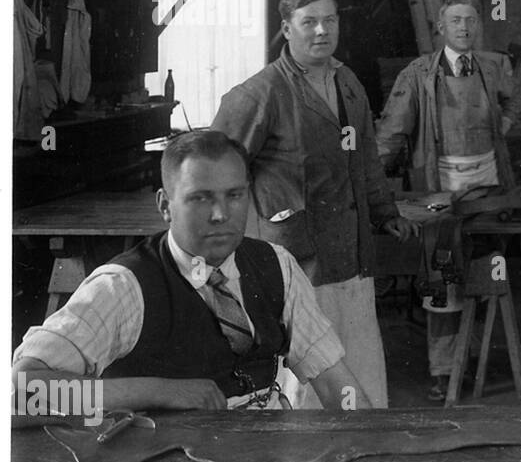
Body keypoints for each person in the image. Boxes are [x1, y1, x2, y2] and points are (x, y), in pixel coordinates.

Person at [12, 131, 371, 411]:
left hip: (265, 454)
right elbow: (27, 387)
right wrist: (158, 391)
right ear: (165, 206)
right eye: (200, 198)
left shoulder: (277, 265)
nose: (220, 214)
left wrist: (374, 448)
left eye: (234, 196)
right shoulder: (124, 286)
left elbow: (334, 383)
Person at [211, 0, 415, 410]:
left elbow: (365, 162)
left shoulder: (348, 83)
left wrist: (384, 212)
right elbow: (217, 170)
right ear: (287, 29)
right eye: (309, 22)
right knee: (303, 374)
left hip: (351, 253)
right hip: (296, 259)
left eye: (331, 20)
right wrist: (230, 246)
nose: (322, 30)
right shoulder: (260, 93)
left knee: (358, 360)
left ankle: (361, 446)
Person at [375, 0, 521, 399]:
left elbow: (517, 97)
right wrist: (368, 176)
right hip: (440, 193)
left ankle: (474, 360)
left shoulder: (495, 66)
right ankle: (444, 372)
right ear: (440, 28)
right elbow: (392, 130)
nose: (464, 27)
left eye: (471, 21)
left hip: (490, 189)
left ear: (479, 26)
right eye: (456, 21)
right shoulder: (419, 73)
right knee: (443, 277)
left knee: (483, 272)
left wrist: (505, 121)